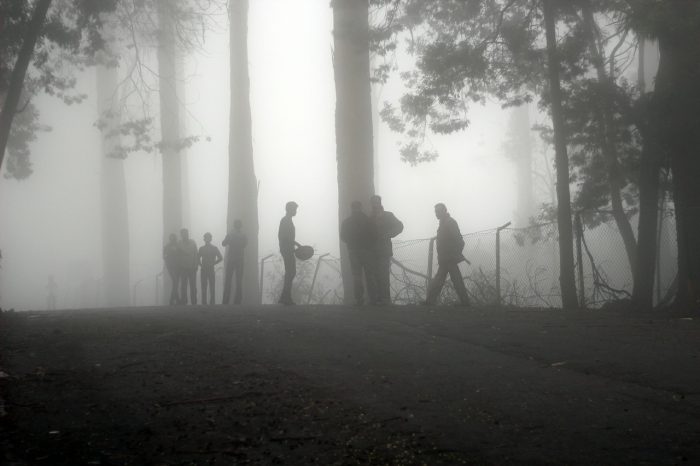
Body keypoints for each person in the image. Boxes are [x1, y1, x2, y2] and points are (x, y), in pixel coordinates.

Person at [425, 203, 470, 306]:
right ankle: (465, 303)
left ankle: (429, 302)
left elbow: (460, 241)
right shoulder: (444, 223)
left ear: (444, 211)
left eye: (438, 211)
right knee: (444, 280)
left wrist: (454, 255)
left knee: (444, 280)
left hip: (449, 259)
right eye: (435, 212)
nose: (436, 214)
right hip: (445, 259)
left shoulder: (450, 223)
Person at [369, 195, 403, 305]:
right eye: (373, 202)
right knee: (375, 275)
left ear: (380, 203)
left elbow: (400, 226)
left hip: (384, 250)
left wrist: (388, 234)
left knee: (383, 275)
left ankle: (385, 299)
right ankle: (378, 299)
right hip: (372, 251)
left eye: (376, 202)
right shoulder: (369, 218)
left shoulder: (388, 216)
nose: (375, 204)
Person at [340, 200, 376, 305]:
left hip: (353, 251)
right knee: (369, 275)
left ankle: (359, 299)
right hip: (367, 251)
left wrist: (351, 243)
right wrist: (369, 245)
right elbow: (375, 235)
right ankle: (372, 298)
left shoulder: (346, 222)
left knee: (357, 275)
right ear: (361, 208)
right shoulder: (368, 220)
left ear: (351, 209)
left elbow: (343, 236)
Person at [278, 201, 301, 305]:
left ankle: (285, 296)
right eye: (294, 209)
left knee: (290, 272)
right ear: (289, 209)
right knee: (291, 272)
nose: (296, 211)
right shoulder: (285, 220)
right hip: (287, 249)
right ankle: (285, 297)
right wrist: (296, 244)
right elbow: (283, 237)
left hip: (288, 249)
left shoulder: (287, 220)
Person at [222, 219, 247, 305]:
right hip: (240, 259)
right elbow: (245, 245)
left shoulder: (230, 234)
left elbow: (223, 243)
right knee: (239, 280)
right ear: (240, 226)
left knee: (228, 280)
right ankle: (238, 300)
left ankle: (226, 300)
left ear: (234, 225)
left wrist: (230, 240)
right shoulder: (243, 235)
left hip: (232, 259)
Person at [199, 232, 223, 305]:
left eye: (208, 237)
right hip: (205, 269)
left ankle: (211, 302)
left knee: (211, 287)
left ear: (210, 239)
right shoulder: (202, 249)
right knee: (204, 286)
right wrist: (201, 265)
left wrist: (213, 263)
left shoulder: (212, 248)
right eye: (206, 237)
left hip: (209, 269)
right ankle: (205, 302)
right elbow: (197, 258)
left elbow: (221, 258)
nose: (207, 239)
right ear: (204, 239)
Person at [178, 228, 199, 305]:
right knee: (183, 286)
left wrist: (196, 265)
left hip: (192, 268)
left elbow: (196, 254)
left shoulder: (193, 242)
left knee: (193, 286)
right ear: (181, 235)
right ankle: (184, 301)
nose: (185, 235)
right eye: (183, 234)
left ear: (188, 234)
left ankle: (194, 301)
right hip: (183, 268)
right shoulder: (179, 243)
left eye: (186, 233)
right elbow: (177, 255)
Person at [163, 233, 181, 305]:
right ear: (170, 238)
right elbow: (164, 256)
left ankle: (176, 300)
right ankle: (172, 300)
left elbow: (181, 255)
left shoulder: (178, 246)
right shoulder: (167, 246)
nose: (172, 239)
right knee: (175, 281)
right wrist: (167, 262)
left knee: (175, 282)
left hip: (178, 267)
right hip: (170, 267)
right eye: (171, 238)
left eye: (173, 237)